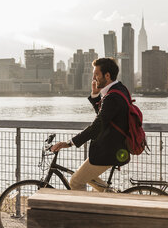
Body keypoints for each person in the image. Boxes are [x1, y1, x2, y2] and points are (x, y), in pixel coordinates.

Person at [50, 57, 131, 191]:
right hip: (116, 147)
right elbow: (105, 117)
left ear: (107, 75)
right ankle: (113, 199)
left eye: (96, 74)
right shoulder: (119, 89)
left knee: (76, 181)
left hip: (110, 151)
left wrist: (69, 143)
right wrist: (95, 95)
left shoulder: (112, 97)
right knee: (87, 178)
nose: (93, 78)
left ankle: (84, 211)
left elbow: (97, 126)